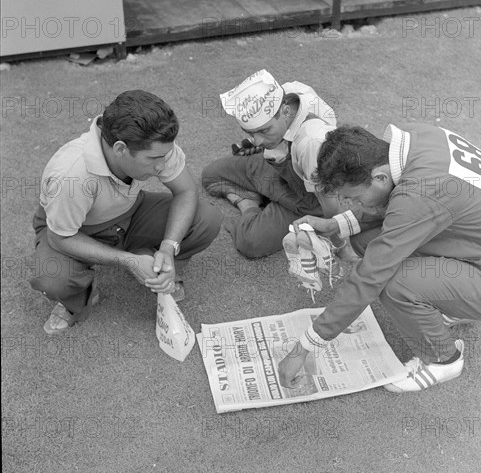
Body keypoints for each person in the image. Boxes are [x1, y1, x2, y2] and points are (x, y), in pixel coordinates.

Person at [278, 124, 481, 392]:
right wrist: (334, 225)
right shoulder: (419, 141)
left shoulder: (421, 193)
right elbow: (404, 204)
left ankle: (444, 359)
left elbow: (370, 277)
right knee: (365, 240)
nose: (352, 204)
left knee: (393, 284)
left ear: (379, 177)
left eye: (352, 197)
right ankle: (448, 303)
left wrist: (304, 347)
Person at [30, 90, 223, 335]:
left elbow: (185, 192)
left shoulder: (154, 142)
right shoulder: (71, 176)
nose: (162, 166)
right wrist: (127, 261)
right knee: (53, 279)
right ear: (120, 148)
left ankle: (156, 262)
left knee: (206, 219)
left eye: (165, 155)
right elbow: (60, 237)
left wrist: (168, 246)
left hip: (129, 214)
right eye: (154, 159)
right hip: (74, 230)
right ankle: (76, 299)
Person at [202, 69, 369, 259]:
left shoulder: (312, 144)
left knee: (250, 242)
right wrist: (264, 144)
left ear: (285, 111)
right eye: (251, 133)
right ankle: (258, 195)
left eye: (264, 131)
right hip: (278, 169)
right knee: (211, 175)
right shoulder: (290, 92)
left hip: (306, 198)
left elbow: (329, 207)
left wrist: (339, 247)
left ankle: (248, 203)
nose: (257, 141)